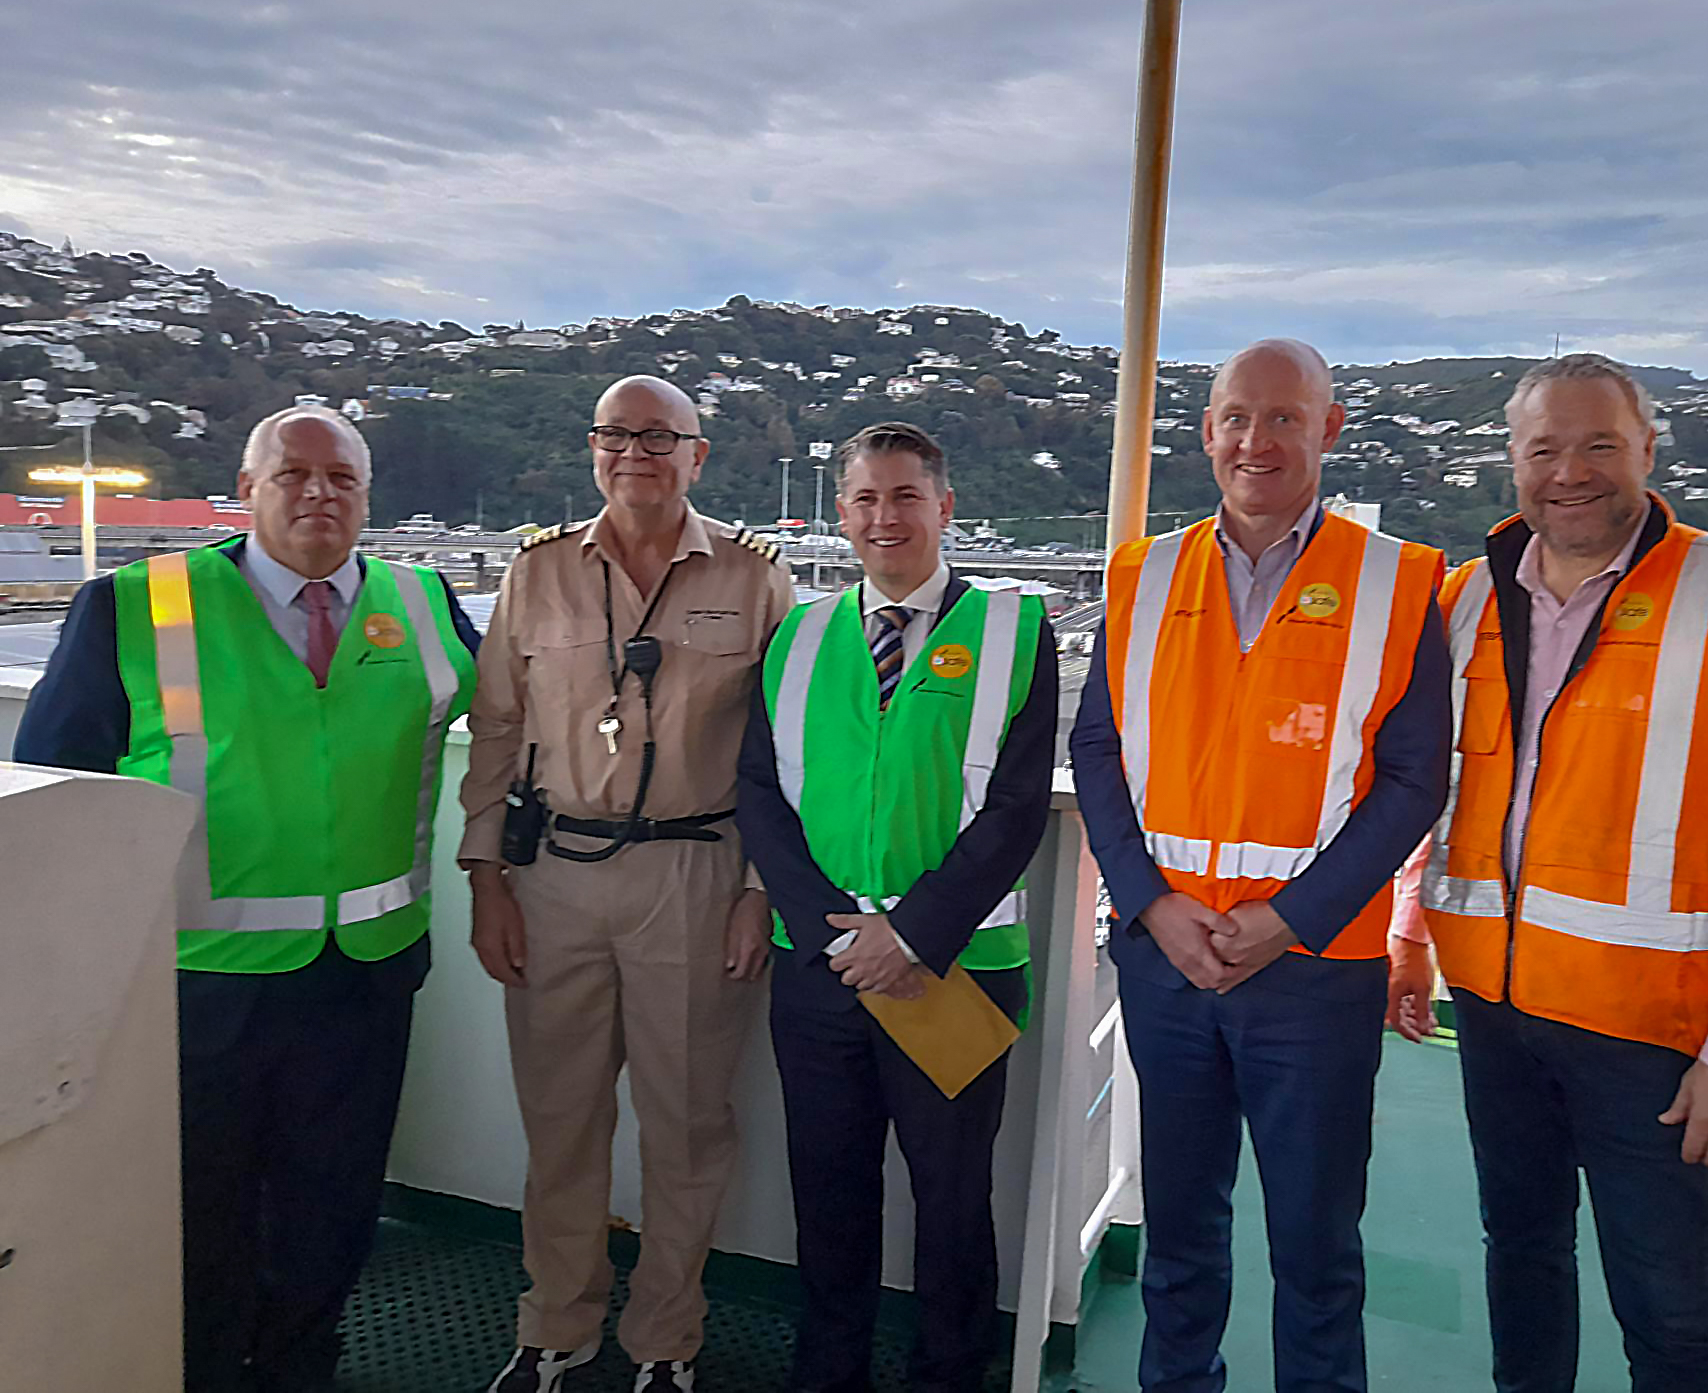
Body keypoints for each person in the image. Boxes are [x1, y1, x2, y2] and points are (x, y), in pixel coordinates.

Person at [1389, 353, 1708, 1392]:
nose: (1569, 472)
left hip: (1648, 1034)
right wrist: (1411, 931)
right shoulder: (1467, 601)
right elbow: (1443, 790)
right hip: (1495, 1010)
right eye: (1544, 448)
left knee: (1668, 1313)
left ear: (1646, 449)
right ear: (1511, 460)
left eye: (1598, 444)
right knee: (1522, 1256)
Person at [13, 404, 480, 1392]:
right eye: (293, 475)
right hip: (196, 983)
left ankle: (302, 1365)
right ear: (248, 485)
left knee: (334, 1205)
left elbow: (532, 718)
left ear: (366, 493)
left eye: (341, 478)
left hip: (366, 976)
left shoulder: (428, 602)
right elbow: (59, 786)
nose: (318, 495)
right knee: (200, 1210)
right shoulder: (134, 605)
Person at [1068, 340, 1451, 1393]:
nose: (1257, 440)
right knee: (1183, 1244)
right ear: (1207, 432)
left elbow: (1413, 783)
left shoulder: (1403, 582)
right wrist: (1150, 905)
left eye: (1284, 418)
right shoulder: (1142, 574)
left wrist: (1291, 917)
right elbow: (1095, 749)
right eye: (1237, 417)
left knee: (1316, 1252)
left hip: (1316, 972)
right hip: (1168, 963)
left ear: (1328, 429)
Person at [461, 375, 793, 1393]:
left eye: (660, 436)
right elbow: (498, 732)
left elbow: (782, 751)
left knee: (687, 1124)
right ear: (591, 448)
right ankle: (555, 1325)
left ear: (699, 455)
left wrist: (758, 890)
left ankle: (665, 1342)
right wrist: (485, 878)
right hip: (554, 873)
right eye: (616, 433)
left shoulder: (753, 578)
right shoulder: (537, 573)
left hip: (695, 877)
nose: (635, 451)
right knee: (560, 1119)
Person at [735, 421, 1058, 1393]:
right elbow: (758, 790)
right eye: (866, 498)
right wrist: (838, 931)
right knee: (828, 1192)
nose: (885, 517)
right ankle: (827, 1367)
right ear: (842, 513)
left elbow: (1013, 810)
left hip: (955, 969)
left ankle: (949, 1370)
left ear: (944, 507)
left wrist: (909, 934)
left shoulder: (1015, 631)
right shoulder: (794, 637)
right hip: (823, 968)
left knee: (953, 1197)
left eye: (905, 496)